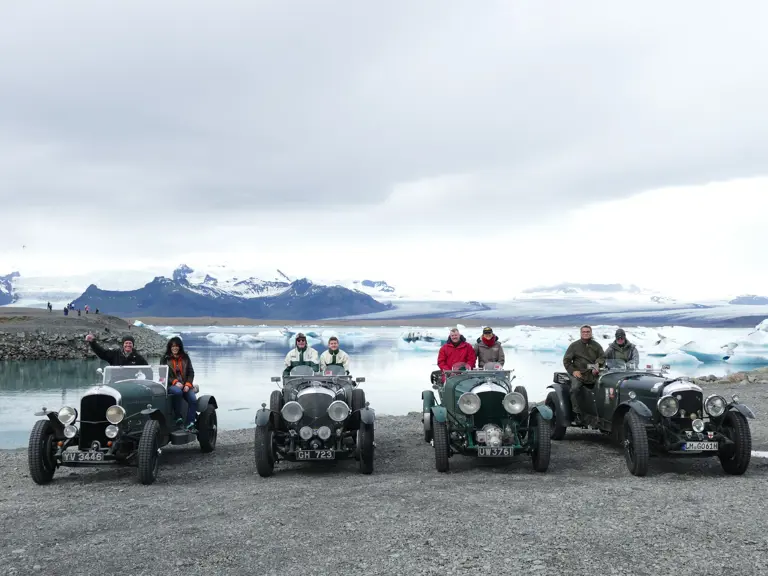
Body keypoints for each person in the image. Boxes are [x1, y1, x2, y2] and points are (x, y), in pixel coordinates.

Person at [562, 325, 605, 416]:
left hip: (592, 372)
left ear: (591, 333)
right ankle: (576, 412)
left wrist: (597, 366)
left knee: (603, 386)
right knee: (575, 388)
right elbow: (567, 361)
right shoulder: (574, 346)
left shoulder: (596, 346)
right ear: (581, 333)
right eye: (584, 332)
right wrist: (573, 371)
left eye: (588, 332)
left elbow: (602, 357)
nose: (586, 333)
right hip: (578, 373)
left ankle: (599, 412)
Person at [160, 336, 198, 429]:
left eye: (176, 346)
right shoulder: (165, 358)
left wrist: (188, 385)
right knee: (177, 392)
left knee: (193, 400)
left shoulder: (185, 357)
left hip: (185, 385)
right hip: (170, 385)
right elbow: (162, 374)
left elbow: (191, 372)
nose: (175, 348)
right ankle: (178, 416)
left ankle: (190, 422)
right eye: (172, 346)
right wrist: (175, 382)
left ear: (180, 347)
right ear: (170, 347)